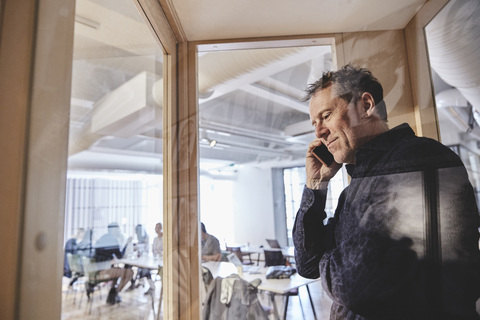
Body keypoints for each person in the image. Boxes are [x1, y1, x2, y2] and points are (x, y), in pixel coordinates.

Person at [293, 64, 480, 319]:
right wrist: (316, 185)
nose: (318, 132)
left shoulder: (419, 158)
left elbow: (358, 284)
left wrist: (334, 257)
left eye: (325, 116)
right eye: (315, 123)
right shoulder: (355, 187)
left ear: (366, 106)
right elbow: (307, 264)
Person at [92, 222, 133, 304]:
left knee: (118, 271)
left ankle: (112, 293)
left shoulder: (103, 238)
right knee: (130, 272)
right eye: (118, 229)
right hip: (102, 271)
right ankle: (115, 292)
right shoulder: (113, 240)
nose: (119, 231)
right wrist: (127, 243)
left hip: (95, 270)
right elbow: (120, 256)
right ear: (114, 230)